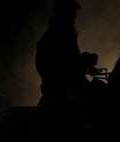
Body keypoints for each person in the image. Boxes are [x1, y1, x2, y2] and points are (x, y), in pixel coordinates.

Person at [35, 0, 100, 135]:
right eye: (72, 13)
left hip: (70, 86)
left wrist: (87, 68)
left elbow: (71, 64)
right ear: (63, 14)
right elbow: (62, 66)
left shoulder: (65, 35)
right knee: (90, 105)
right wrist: (86, 60)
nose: (74, 17)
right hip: (60, 89)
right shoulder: (53, 37)